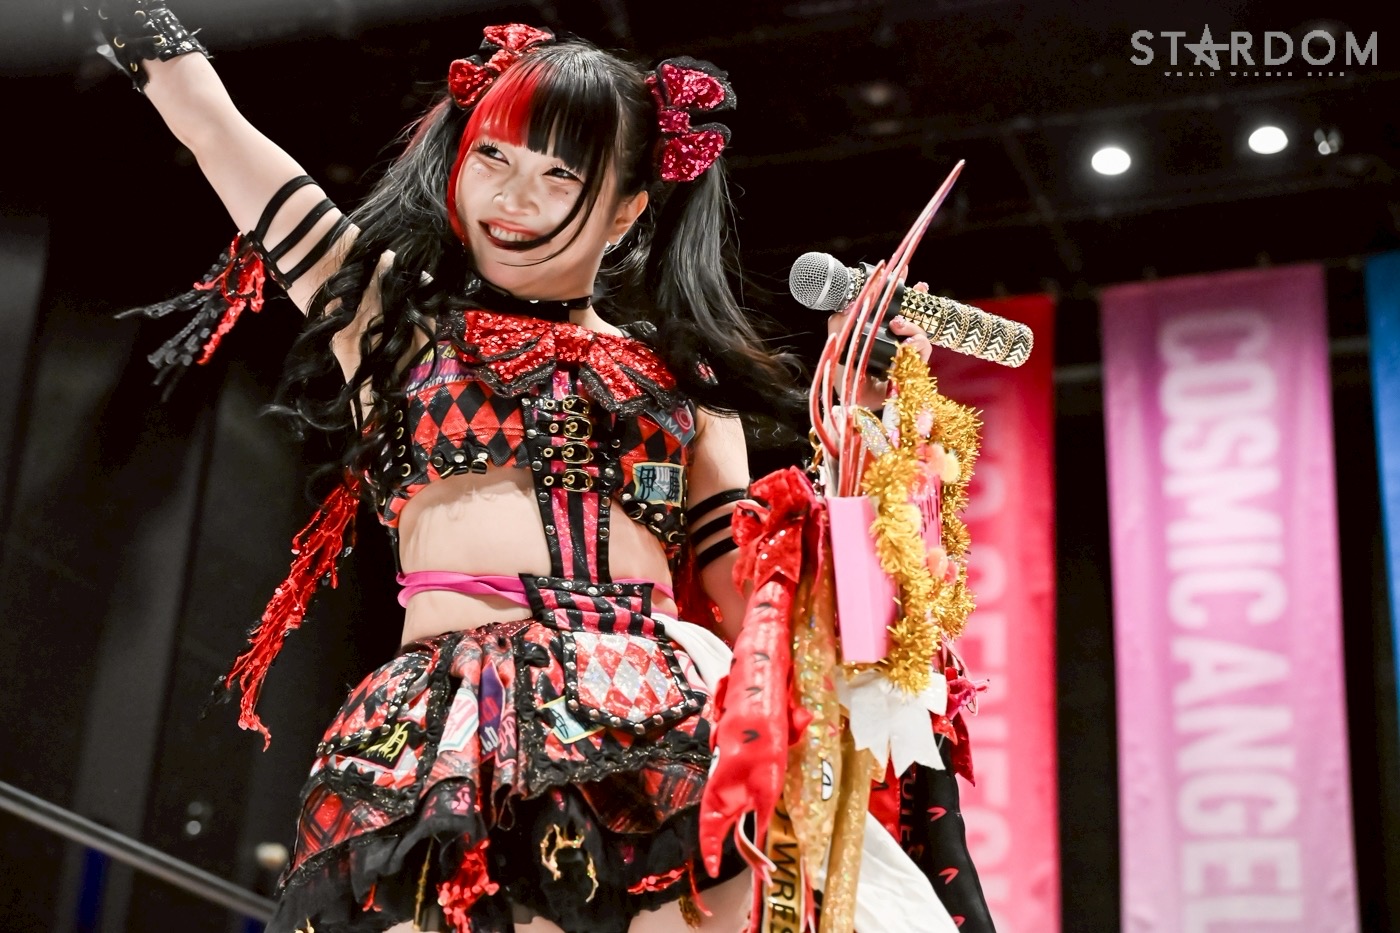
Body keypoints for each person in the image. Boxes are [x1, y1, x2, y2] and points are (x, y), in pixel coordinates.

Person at [93, 5, 949, 932]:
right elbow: (217, 130)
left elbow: (768, 619)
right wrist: (139, 26)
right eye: (493, 157)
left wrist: (868, 435)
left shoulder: (690, 391)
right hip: (453, 729)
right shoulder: (391, 325)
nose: (511, 198)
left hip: (663, 727)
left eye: (559, 175)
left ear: (627, 210)